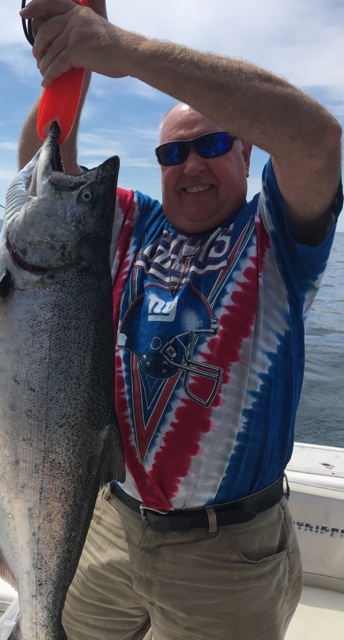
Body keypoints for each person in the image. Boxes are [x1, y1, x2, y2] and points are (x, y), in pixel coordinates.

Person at [18, 1, 343, 639]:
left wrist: (123, 49)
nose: (191, 165)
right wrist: (73, 62)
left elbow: (317, 139)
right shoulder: (130, 222)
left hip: (225, 554)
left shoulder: (274, 235)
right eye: (173, 153)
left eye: (212, 145)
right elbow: (42, 175)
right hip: (108, 520)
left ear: (248, 153)